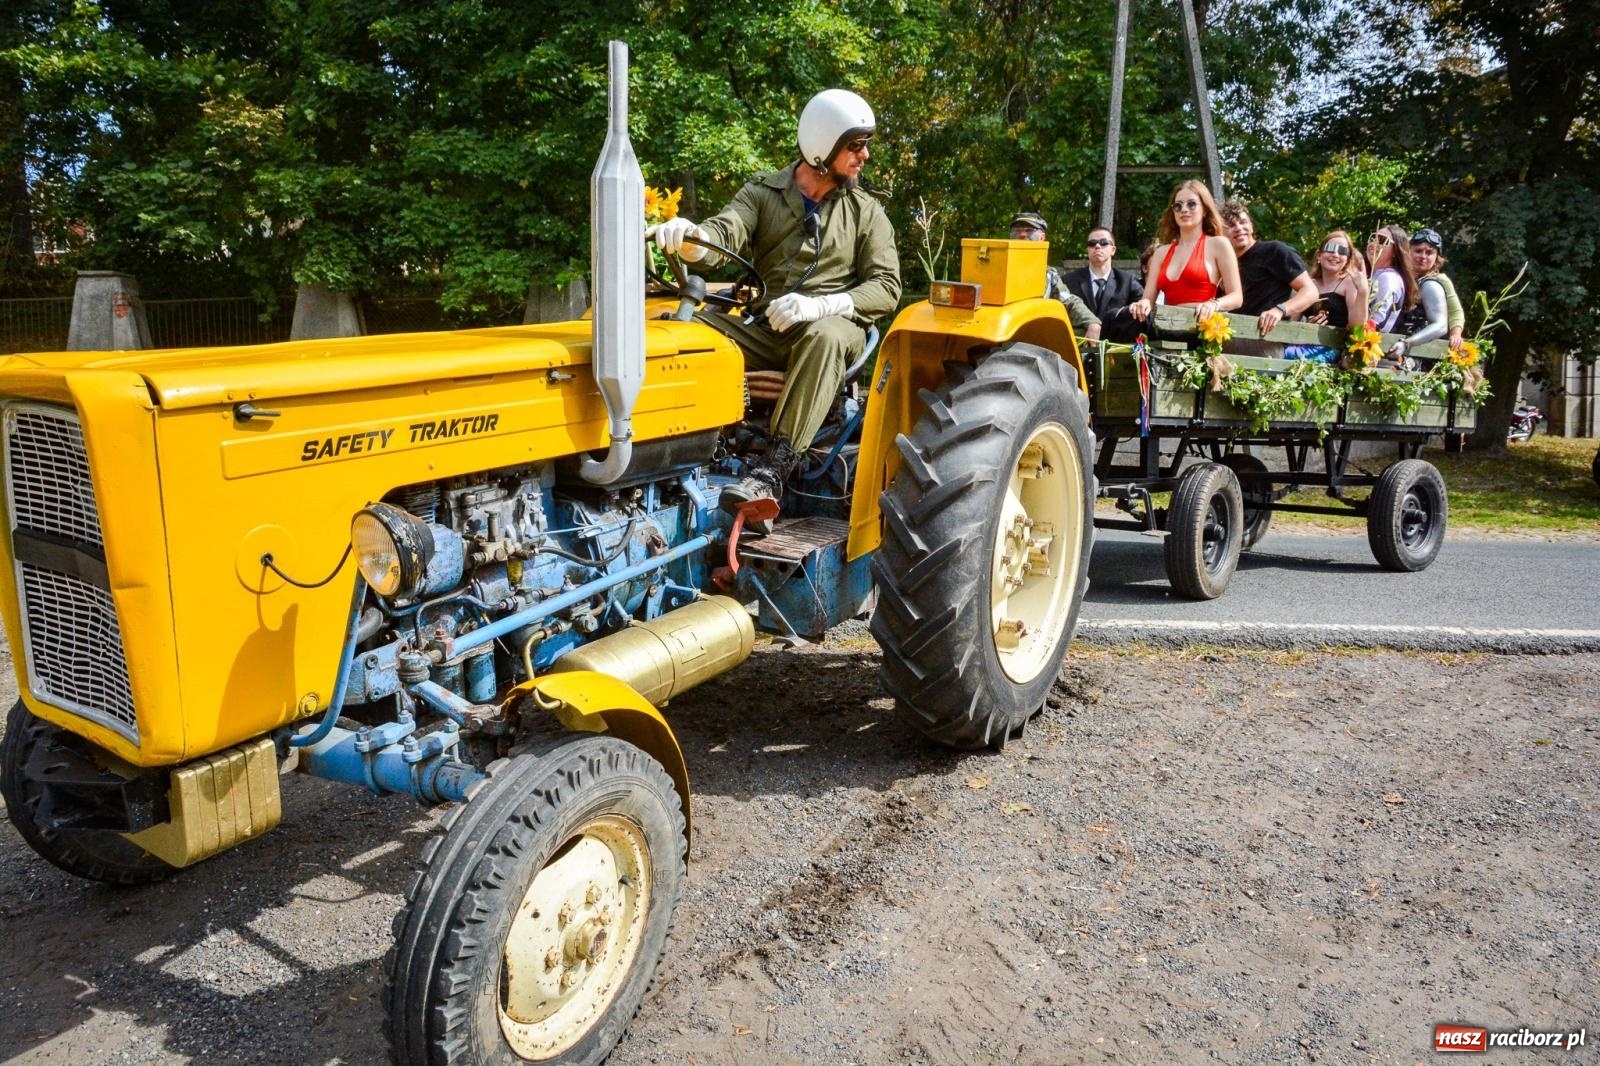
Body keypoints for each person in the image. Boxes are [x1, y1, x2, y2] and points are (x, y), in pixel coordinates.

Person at [649, 89, 901, 519]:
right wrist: (695, 242)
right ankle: (669, 452)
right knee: (684, 330)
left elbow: (887, 286)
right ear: (824, 146)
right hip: (767, 329)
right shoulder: (762, 193)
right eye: (856, 146)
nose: (865, 156)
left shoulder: (866, 212)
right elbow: (726, 231)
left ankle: (773, 469)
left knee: (822, 336)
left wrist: (825, 305)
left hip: (832, 330)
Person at [1128, 180, 1242, 324]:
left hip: (1202, 328)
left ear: (1205, 210)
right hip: (1167, 327)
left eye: (1192, 204)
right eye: (1178, 206)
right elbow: (1148, 299)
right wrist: (1141, 304)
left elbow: (1237, 297)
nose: (1184, 210)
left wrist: (1214, 304)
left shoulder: (1219, 244)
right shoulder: (1161, 252)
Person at [1218, 201, 1319, 336]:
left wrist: (1280, 310)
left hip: (1268, 337)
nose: (1238, 228)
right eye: (1231, 225)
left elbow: (1310, 291)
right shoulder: (1221, 264)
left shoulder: (1274, 251)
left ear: (1252, 227)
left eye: (1243, 222)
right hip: (1232, 336)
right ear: (1221, 233)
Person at [1009, 211, 1101, 342]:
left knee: (1080, 331)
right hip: (1002, 331)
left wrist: (1092, 323)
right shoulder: (996, 266)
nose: (1022, 234)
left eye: (1029, 230)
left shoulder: (1048, 274)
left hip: (1033, 334)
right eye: (1017, 230)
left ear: (1042, 237)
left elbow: (1068, 300)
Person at [1063, 226, 1144, 342]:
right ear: (1087, 249)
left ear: (1113, 250)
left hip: (1115, 350)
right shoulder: (1068, 281)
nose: (1097, 246)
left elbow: (1143, 304)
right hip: (1077, 348)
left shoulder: (1128, 281)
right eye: (1092, 243)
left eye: (1104, 243)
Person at [1406, 228, 1465, 349]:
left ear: (1437, 257)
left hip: (1428, 343)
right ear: (1409, 252)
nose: (1423, 256)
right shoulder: (1401, 278)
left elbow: (1456, 311)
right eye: (1418, 251)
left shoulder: (1440, 280)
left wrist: (1456, 334)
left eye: (1429, 253)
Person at [1303, 230, 1369, 330]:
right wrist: (1306, 326)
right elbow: (1293, 320)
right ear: (1319, 255)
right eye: (1330, 249)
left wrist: (1363, 291)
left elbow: (1357, 328)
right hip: (1303, 342)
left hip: (1336, 344)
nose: (1336, 255)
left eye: (1343, 251)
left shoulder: (1350, 283)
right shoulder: (1309, 284)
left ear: (1347, 259)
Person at [1365, 224, 1417, 332]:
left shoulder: (1388, 278)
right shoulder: (1373, 275)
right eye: (1373, 238)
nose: (1374, 243)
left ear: (1395, 251)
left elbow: (1377, 322)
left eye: (1382, 240)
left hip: (1368, 343)